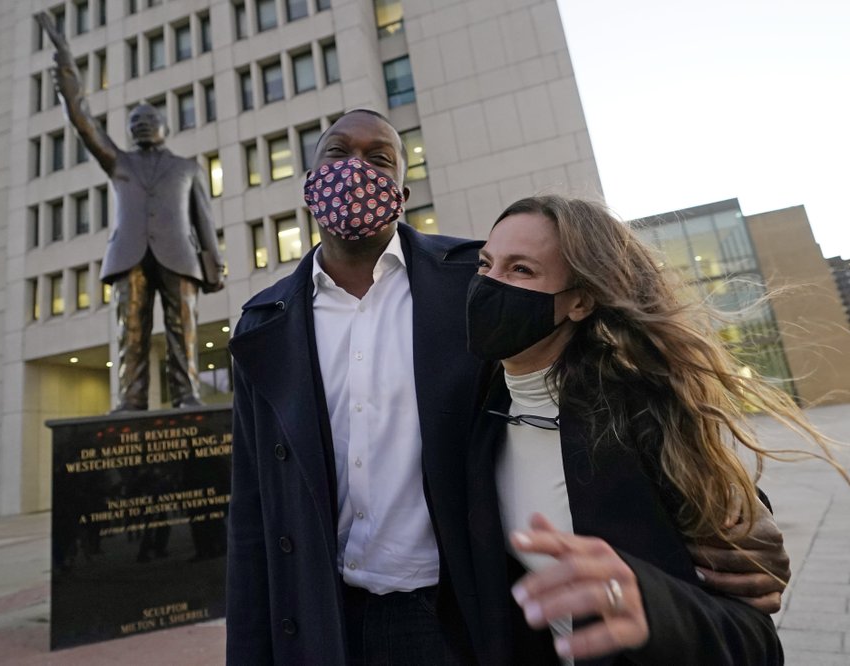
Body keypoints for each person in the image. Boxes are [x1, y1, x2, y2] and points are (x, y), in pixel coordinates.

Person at [226, 112, 791, 665]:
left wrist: (734, 516)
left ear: (402, 187)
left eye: (379, 159)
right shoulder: (264, 323)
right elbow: (251, 512)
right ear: (308, 177)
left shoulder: (473, 279)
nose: (355, 169)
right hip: (327, 614)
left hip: (458, 613)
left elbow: (606, 378)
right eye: (337, 152)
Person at [454, 195, 847, 664]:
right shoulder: (478, 414)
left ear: (580, 301)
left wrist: (654, 605)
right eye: (486, 264)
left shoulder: (646, 420)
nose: (490, 284)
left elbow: (753, 641)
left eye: (521, 270)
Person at [36, 13, 224, 410]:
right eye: (134, 121)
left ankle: (187, 395)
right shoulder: (118, 161)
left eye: (148, 120)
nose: (140, 125)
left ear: (163, 128)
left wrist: (215, 266)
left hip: (180, 256)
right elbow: (82, 119)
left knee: (183, 329)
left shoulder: (187, 168)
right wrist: (64, 58)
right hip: (129, 256)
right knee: (131, 331)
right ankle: (131, 398)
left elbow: (203, 219)